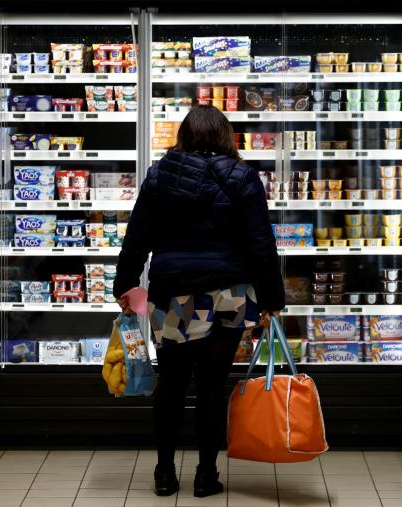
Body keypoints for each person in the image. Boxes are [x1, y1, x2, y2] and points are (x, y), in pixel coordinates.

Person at [113, 105, 285, 498]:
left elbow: (136, 237)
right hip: (231, 293)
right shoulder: (243, 177)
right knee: (212, 386)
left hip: (176, 293)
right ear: (227, 136)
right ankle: (207, 474)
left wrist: (124, 286)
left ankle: (164, 472)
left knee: (172, 384)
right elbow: (261, 244)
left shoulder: (160, 175)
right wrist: (273, 298)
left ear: (184, 135)